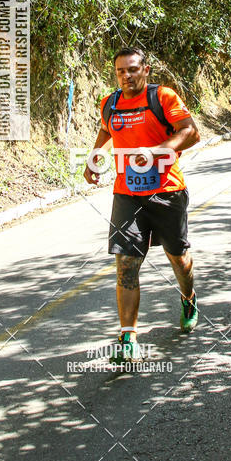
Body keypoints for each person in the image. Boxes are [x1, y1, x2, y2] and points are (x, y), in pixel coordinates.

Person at [84, 47, 201, 361]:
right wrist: (95, 159)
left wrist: (157, 151)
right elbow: (106, 130)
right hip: (127, 195)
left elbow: (191, 132)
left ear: (146, 70)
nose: (127, 76)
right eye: (121, 70)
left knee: (178, 258)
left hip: (167, 193)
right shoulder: (109, 104)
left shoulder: (162, 98)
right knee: (126, 264)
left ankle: (188, 297)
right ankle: (128, 338)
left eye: (133, 69)